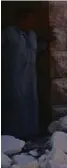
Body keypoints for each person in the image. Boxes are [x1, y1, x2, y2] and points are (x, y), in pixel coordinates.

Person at [1, 6, 41, 140]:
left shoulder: (32, 35)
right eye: (29, 19)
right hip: (14, 77)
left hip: (30, 77)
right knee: (14, 105)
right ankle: (12, 137)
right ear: (20, 19)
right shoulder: (8, 33)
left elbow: (33, 51)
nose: (32, 22)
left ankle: (29, 135)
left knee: (29, 104)